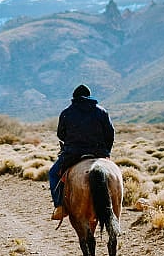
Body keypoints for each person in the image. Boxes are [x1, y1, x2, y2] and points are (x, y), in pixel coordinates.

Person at [48, 84, 115, 221]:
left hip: (73, 153)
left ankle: (60, 206)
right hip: (98, 153)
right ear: (90, 96)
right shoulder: (101, 111)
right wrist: (106, 151)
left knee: (53, 173)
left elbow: (60, 134)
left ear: (74, 97)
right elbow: (110, 133)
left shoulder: (67, 112)